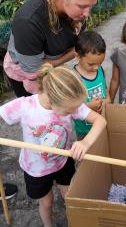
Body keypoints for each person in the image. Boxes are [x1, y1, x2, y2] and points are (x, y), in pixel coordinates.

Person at [0, 63, 106, 227]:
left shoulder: (69, 104)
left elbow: (100, 120)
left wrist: (86, 142)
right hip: (37, 168)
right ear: (52, 100)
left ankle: (76, 221)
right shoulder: (25, 106)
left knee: (70, 196)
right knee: (47, 202)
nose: (72, 112)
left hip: (63, 161)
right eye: (68, 111)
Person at [3, 0, 103, 97]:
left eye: (91, 6)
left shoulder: (76, 13)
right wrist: (60, 61)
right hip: (27, 75)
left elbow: (77, 47)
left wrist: (54, 62)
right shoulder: (28, 21)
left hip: (52, 66)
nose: (87, 14)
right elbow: (33, 73)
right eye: (82, 6)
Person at [73, 31, 110, 140]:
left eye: (100, 63)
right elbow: (70, 109)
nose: (96, 68)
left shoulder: (100, 71)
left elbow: (107, 94)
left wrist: (105, 102)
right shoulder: (73, 78)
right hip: (84, 132)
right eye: (91, 64)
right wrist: (88, 107)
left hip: (102, 125)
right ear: (78, 56)